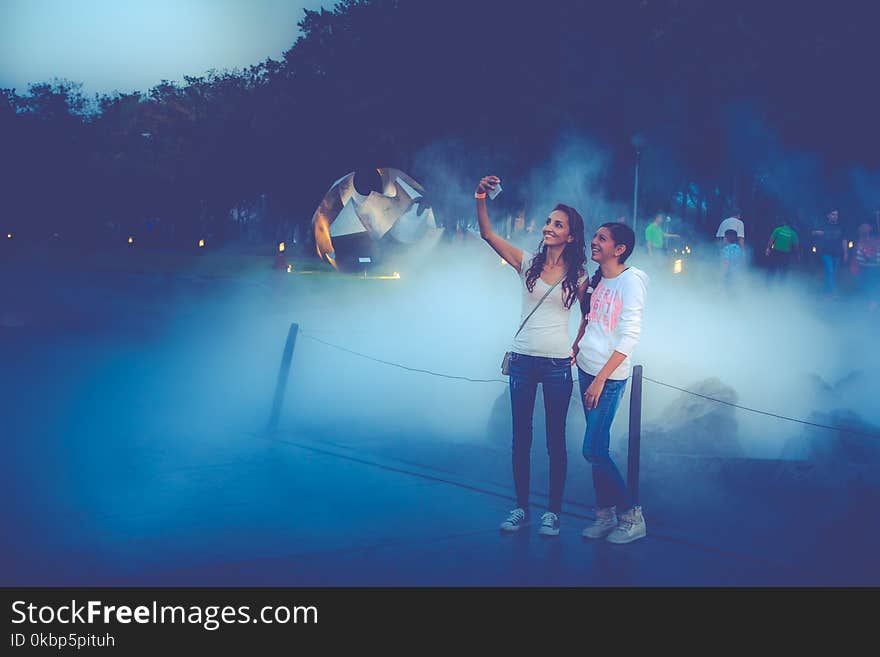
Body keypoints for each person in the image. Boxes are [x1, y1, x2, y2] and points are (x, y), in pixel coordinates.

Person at [475, 175, 587, 537]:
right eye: (548, 222)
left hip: (557, 365)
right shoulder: (527, 263)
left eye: (558, 224)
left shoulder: (580, 274)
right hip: (522, 359)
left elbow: (591, 315)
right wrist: (480, 197)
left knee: (556, 441)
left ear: (571, 235)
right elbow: (488, 235)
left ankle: (552, 512)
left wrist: (577, 346)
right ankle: (521, 507)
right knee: (520, 438)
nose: (548, 227)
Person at [571, 222, 649, 544]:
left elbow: (630, 334)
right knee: (597, 448)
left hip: (609, 376)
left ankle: (632, 515)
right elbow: (589, 318)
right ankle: (604, 515)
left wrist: (601, 379)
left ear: (619, 249)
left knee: (592, 449)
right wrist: (576, 345)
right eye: (596, 237)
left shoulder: (632, 280)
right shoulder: (598, 279)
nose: (595, 242)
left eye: (602, 239)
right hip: (586, 367)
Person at [811, 208, 848, 297]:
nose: (835, 216)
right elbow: (812, 232)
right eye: (833, 214)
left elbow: (844, 240)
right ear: (828, 216)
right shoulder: (823, 225)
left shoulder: (840, 227)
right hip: (825, 253)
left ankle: (826, 291)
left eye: (836, 215)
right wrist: (817, 232)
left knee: (832, 273)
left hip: (837, 254)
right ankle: (832, 293)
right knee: (830, 271)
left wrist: (846, 252)